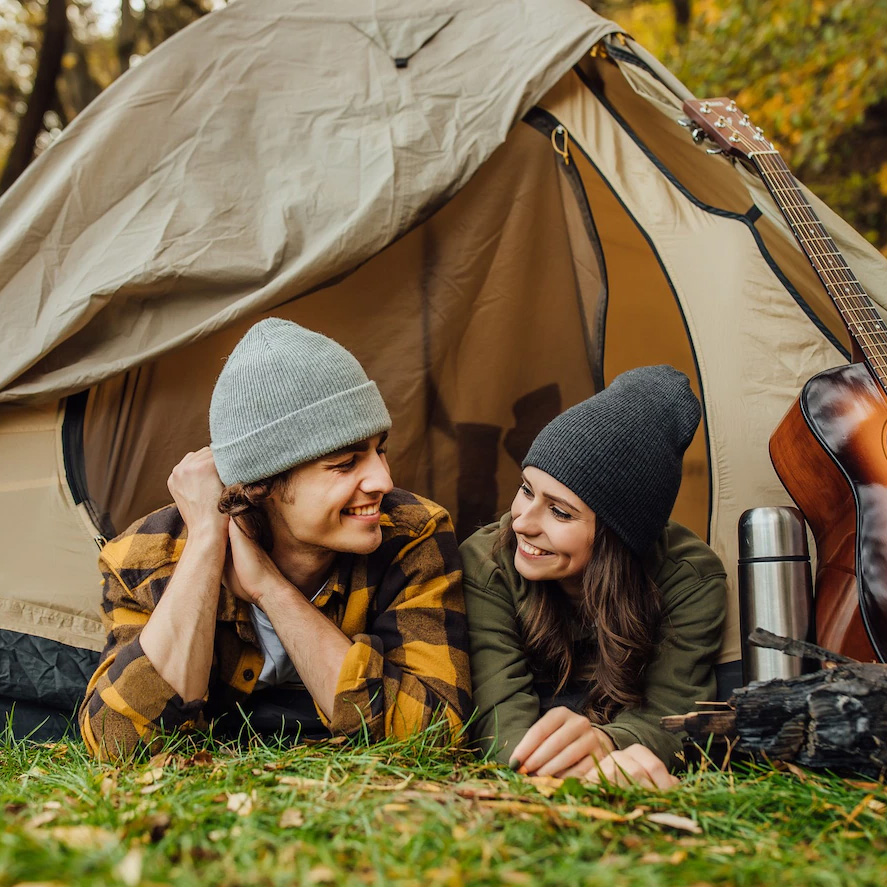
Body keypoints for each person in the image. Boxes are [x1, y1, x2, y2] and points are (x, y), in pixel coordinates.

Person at [79, 319, 471, 760]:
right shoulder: (144, 557)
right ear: (262, 486)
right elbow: (118, 743)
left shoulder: (412, 534)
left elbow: (436, 734)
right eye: (345, 463)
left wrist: (271, 590)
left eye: (380, 449)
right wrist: (207, 541)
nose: (383, 480)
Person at [460, 366, 726, 789]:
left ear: (616, 536)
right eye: (526, 489)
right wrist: (548, 765)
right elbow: (499, 722)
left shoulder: (688, 577)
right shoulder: (487, 561)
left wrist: (606, 744)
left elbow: (674, 715)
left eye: (559, 511)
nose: (522, 523)